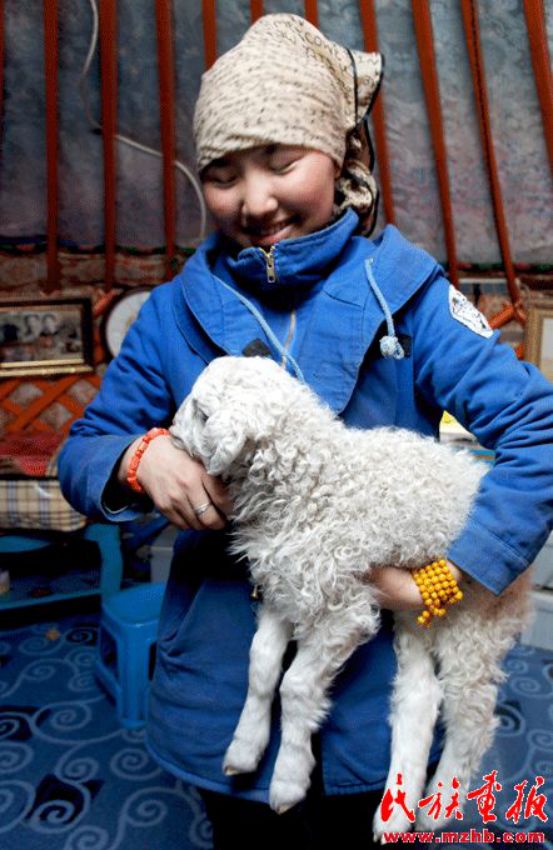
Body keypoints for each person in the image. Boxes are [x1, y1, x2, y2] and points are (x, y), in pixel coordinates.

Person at [58, 14, 553, 850]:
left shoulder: (409, 296)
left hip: (373, 678)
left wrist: (446, 579)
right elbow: (84, 448)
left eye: (282, 163)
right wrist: (139, 458)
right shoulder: (172, 315)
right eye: (222, 176)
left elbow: (539, 431)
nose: (254, 202)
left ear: (341, 154)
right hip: (225, 667)